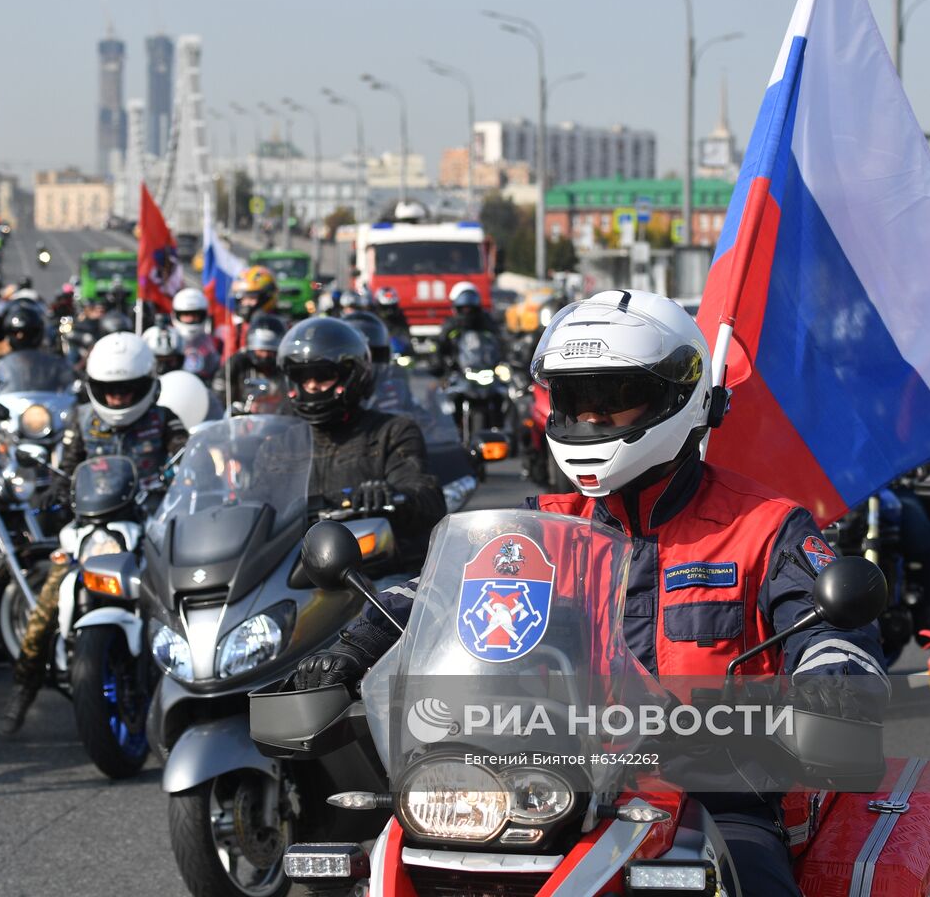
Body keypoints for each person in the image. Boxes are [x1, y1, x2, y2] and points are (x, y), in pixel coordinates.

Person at [293, 291, 889, 897]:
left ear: (680, 398)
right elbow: (435, 594)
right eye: (577, 400)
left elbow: (831, 626)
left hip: (716, 787)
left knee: (750, 880)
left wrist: (832, 684)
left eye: (614, 399)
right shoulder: (540, 528)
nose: (592, 420)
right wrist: (349, 649)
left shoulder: (764, 526)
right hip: (544, 785)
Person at [0, 331, 188, 736]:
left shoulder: (165, 419)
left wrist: (186, 481)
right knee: (44, 610)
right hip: (91, 529)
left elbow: (187, 463)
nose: (117, 399)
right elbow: (66, 471)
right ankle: (23, 687)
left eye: (126, 390)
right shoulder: (82, 420)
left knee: (187, 599)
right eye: (108, 390)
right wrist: (50, 496)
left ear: (146, 385)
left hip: (152, 525)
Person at [276, 317, 446, 568]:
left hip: (371, 569)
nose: (311, 385)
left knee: (389, 603)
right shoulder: (280, 444)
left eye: (323, 375)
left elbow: (424, 493)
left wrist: (392, 495)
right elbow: (258, 505)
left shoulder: (392, 432)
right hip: (295, 573)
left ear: (351, 376)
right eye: (302, 376)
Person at [214, 312, 286, 411]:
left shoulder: (284, 368)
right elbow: (219, 397)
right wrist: (237, 408)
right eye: (261, 351)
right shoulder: (237, 364)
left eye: (270, 351)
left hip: (279, 421)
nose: (265, 355)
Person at [435, 282, 498, 377]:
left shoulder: (485, 321)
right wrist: (440, 364)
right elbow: (440, 345)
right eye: (463, 308)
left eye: (469, 308)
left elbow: (500, 342)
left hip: (487, 370)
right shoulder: (451, 324)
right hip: (458, 371)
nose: (467, 312)